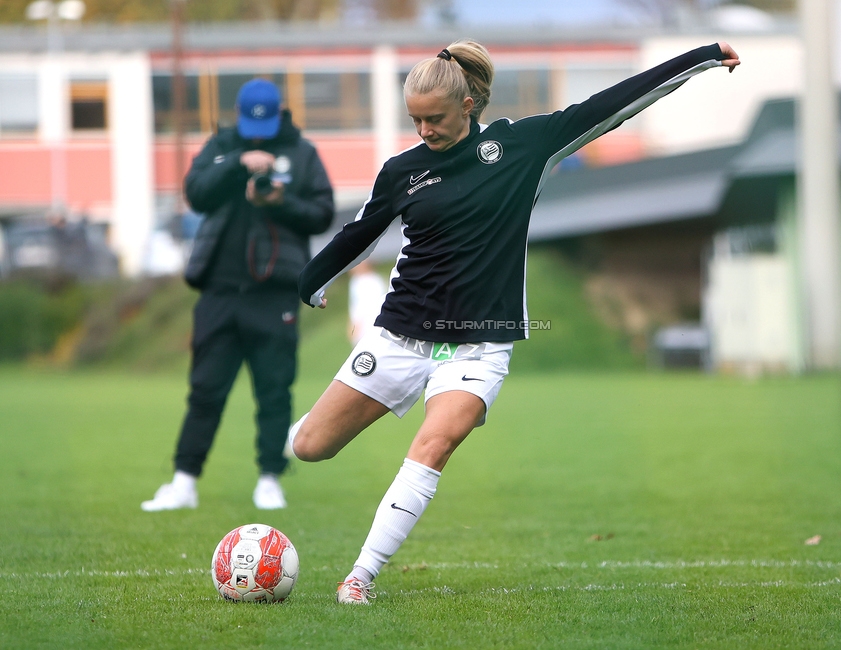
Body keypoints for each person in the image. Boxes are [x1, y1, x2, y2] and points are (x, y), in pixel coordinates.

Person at [290, 40, 740, 603]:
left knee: (435, 443)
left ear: (470, 105)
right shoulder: (402, 171)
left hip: (479, 345)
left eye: (435, 118)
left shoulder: (523, 147)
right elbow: (357, 235)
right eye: (415, 120)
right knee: (310, 446)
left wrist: (699, 57)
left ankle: (360, 577)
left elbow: (614, 104)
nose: (424, 130)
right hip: (400, 333)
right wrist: (311, 283)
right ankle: (301, 440)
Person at [141, 78, 334, 512]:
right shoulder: (221, 146)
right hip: (220, 291)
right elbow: (196, 193)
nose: (259, 135)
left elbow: (322, 213)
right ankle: (184, 482)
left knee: (274, 390)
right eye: (251, 127)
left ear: (279, 114)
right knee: (205, 389)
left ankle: (270, 479)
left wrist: (279, 202)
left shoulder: (302, 153)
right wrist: (238, 164)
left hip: (276, 293)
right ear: (239, 114)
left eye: (265, 127)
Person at [347, 260, 388, 344]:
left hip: (370, 326)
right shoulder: (355, 281)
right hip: (359, 328)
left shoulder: (374, 282)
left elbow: (369, 306)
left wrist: (357, 323)